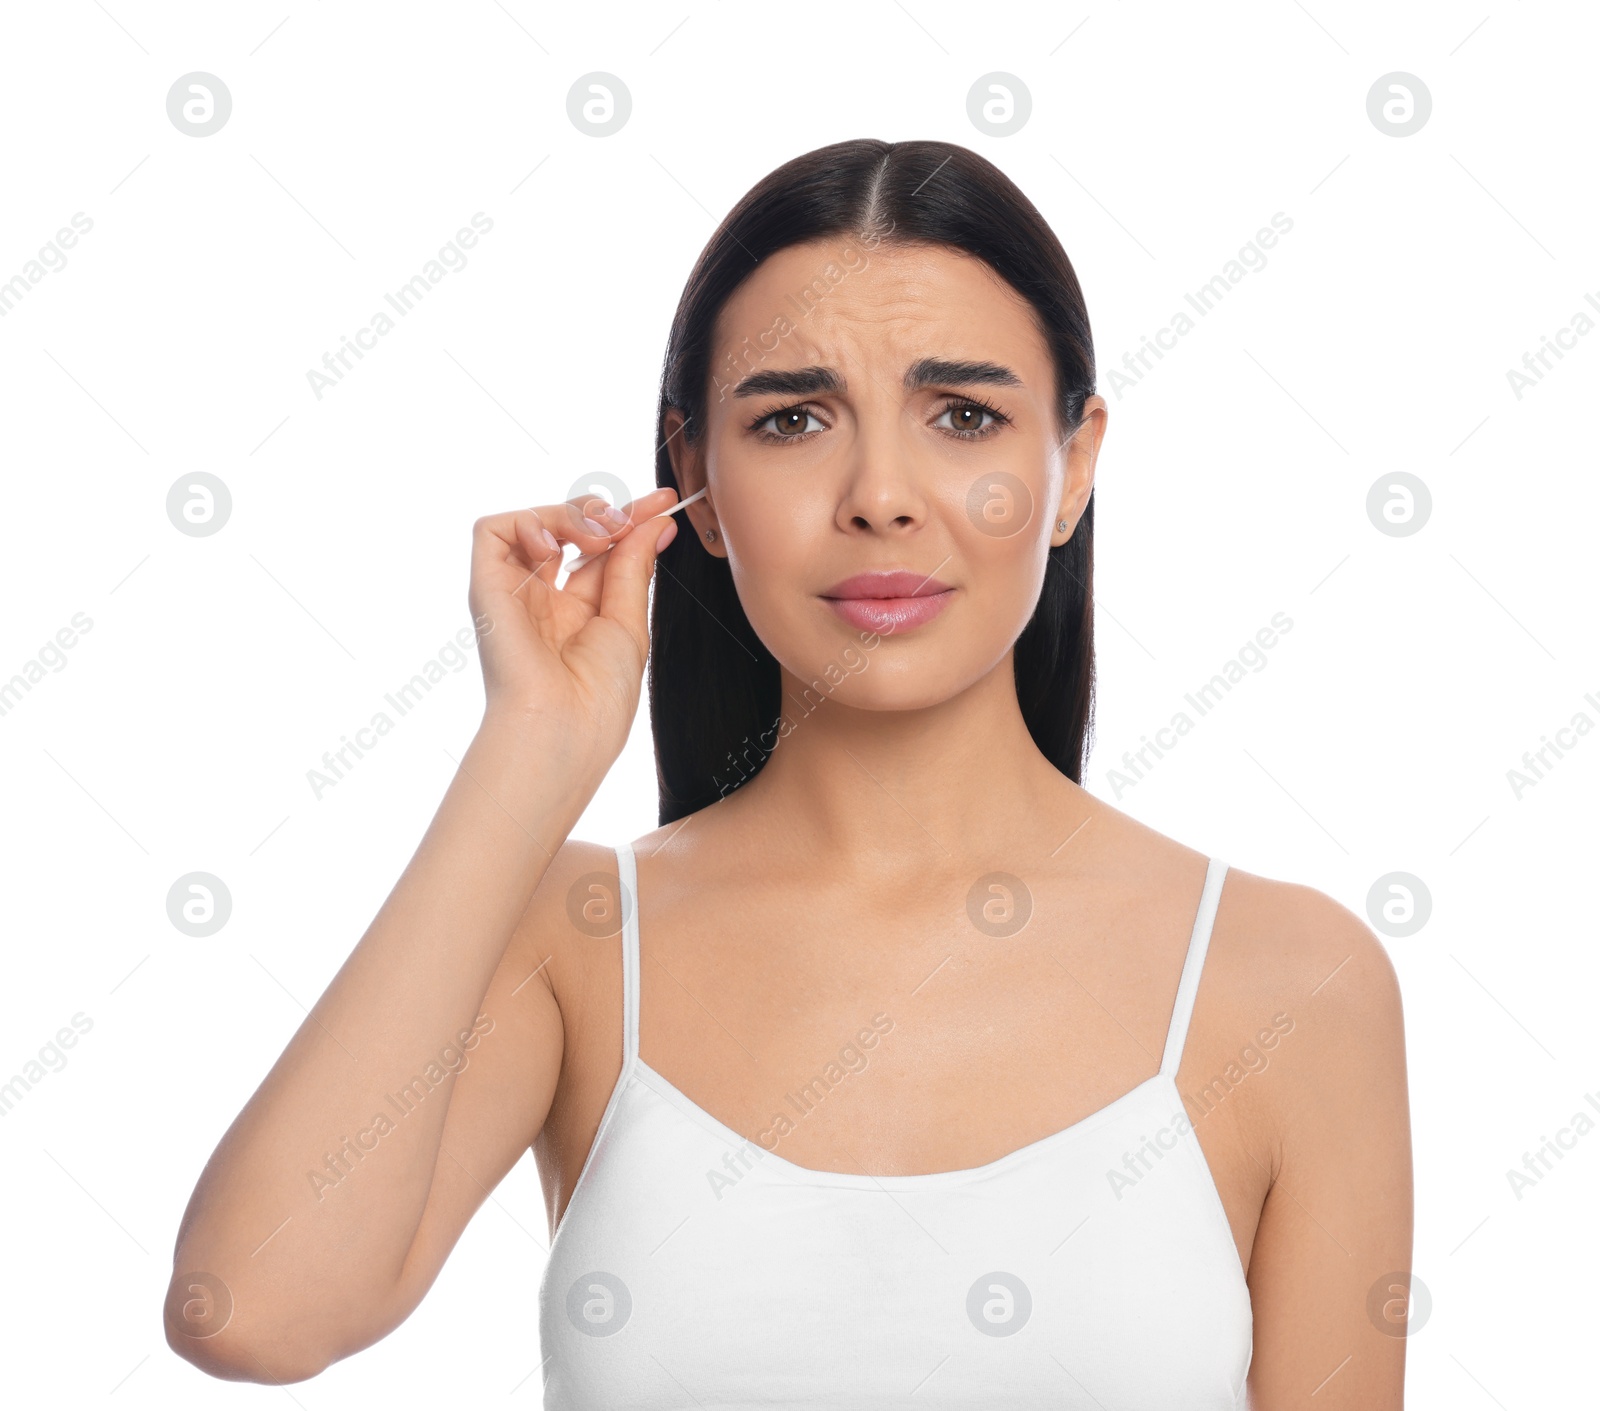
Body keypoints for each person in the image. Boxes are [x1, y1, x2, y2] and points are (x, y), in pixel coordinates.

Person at [166, 138, 1411, 1409]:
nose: (878, 494)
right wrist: (527, 752)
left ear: (1071, 466)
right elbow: (252, 1312)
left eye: (964, 414)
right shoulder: (577, 942)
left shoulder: (1288, 979)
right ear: (694, 480)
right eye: (793, 419)